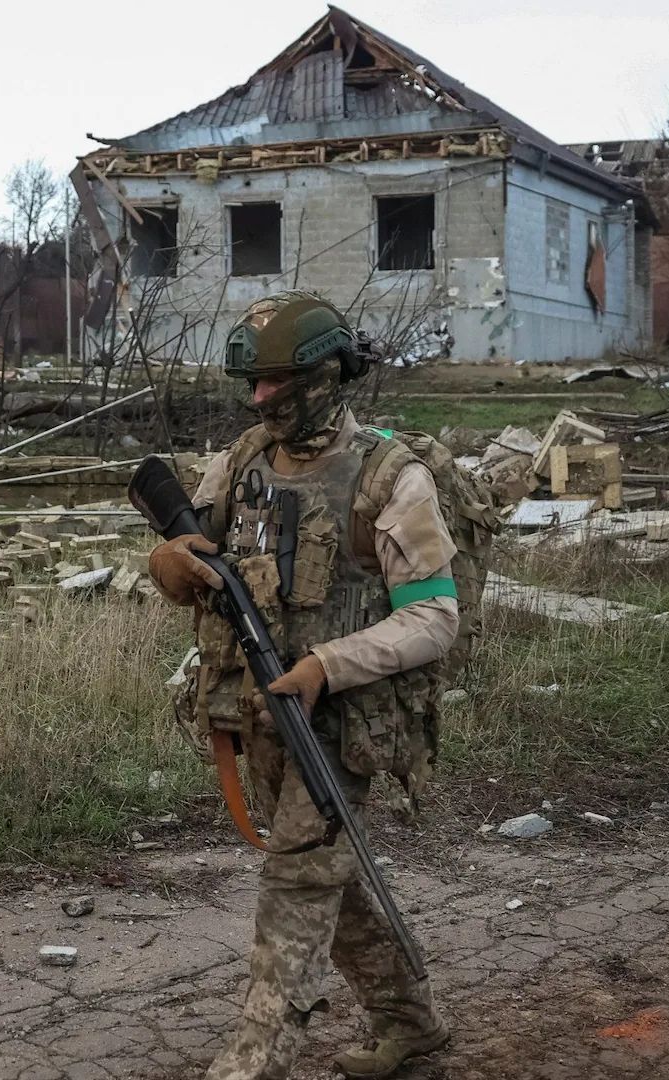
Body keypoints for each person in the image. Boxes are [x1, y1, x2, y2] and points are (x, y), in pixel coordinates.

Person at [146, 292, 457, 1080]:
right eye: (252, 384)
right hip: (257, 713)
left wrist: (328, 666)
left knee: (296, 881)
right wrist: (170, 564)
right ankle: (410, 1026)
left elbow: (434, 619)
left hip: (345, 722)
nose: (259, 399)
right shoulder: (242, 463)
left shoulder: (391, 477)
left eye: (276, 382)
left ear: (324, 375)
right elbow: (191, 550)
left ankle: (254, 1062)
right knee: (328, 879)